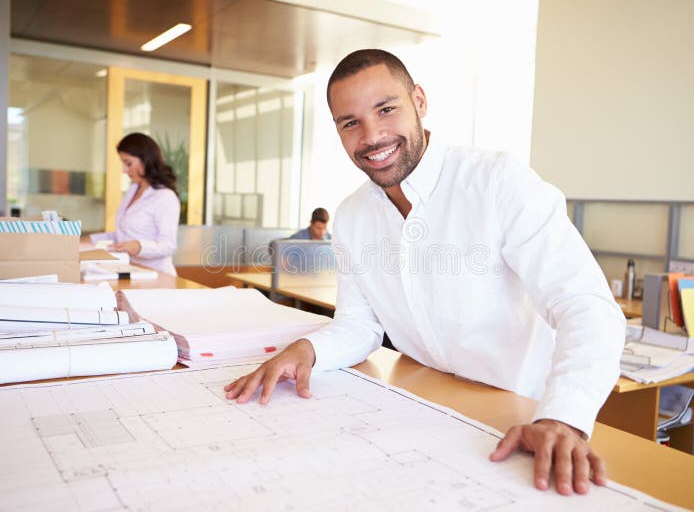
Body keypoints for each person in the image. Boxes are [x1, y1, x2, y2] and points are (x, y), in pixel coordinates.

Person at [224, 49, 625, 496]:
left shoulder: (498, 181)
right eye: (350, 122)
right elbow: (360, 325)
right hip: (425, 414)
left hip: (526, 412)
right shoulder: (353, 215)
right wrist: (308, 350)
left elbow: (585, 306)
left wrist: (562, 417)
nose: (372, 136)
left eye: (386, 109)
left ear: (419, 100)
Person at [89, 132, 180, 276]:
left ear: (146, 160)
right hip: (131, 271)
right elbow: (124, 235)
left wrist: (139, 246)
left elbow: (168, 245)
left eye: (128, 163)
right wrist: (90, 239)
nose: (124, 170)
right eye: (123, 163)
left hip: (158, 276)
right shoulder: (132, 190)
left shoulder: (165, 197)